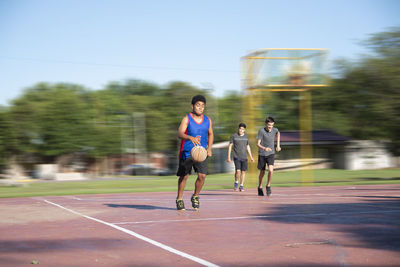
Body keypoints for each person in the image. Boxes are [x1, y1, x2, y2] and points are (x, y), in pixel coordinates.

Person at [176, 95, 214, 210]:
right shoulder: (187, 118)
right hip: (187, 152)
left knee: (202, 176)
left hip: (201, 152)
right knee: (184, 176)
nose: (200, 108)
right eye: (198, 105)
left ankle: (195, 196)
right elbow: (180, 133)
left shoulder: (208, 120)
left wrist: (209, 148)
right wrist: (189, 137)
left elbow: (211, 134)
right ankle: (179, 199)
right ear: (192, 106)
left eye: (202, 106)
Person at [256, 116, 281, 196]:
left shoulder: (275, 130)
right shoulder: (261, 131)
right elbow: (258, 144)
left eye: (272, 125)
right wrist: (264, 148)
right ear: (266, 124)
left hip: (271, 153)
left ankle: (268, 185)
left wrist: (278, 145)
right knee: (262, 173)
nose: (270, 127)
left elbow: (278, 133)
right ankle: (260, 187)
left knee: (271, 170)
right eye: (269, 125)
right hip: (262, 154)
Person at [227, 123, 254, 192]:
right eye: (240, 129)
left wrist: (251, 157)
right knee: (238, 171)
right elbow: (230, 146)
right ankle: (236, 182)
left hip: (244, 157)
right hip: (236, 156)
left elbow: (248, 146)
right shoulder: (234, 136)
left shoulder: (246, 137)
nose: (241, 130)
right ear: (238, 129)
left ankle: (241, 185)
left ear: (244, 130)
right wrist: (228, 157)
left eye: (242, 129)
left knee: (243, 172)